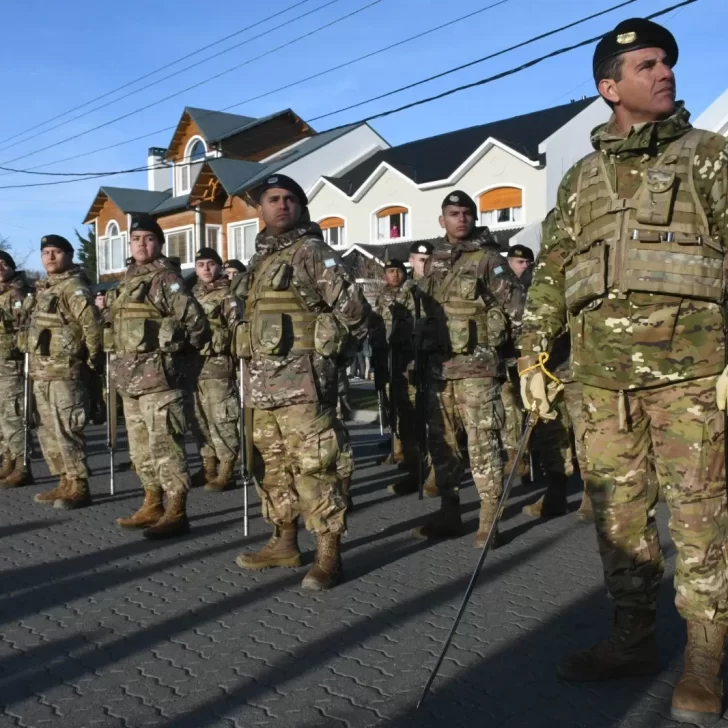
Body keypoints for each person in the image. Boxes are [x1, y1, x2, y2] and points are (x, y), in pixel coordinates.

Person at [518, 19, 728, 724]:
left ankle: (704, 659)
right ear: (610, 87)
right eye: (645, 65)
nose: (664, 72)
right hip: (600, 384)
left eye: (667, 61)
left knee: (702, 520)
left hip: (692, 377)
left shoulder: (710, 159)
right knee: (618, 519)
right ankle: (633, 641)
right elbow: (553, 271)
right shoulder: (580, 180)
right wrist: (533, 353)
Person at [233, 174, 370, 591]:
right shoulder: (259, 261)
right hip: (261, 386)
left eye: (290, 198)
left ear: (301, 207)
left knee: (317, 468)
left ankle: (329, 553)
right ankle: (284, 542)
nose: (281, 205)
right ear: (260, 209)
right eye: (272, 199)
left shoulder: (312, 252)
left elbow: (355, 314)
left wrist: (329, 360)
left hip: (304, 387)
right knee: (272, 469)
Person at [413, 191, 523, 546]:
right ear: (441, 220)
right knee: (442, 444)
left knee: (483, 444)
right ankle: (450, 511)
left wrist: (520, 356)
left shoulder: (489, 260)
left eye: (467, 213)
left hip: (477, 369)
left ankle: (489, 518)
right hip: (438, 370)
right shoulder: (433, 264)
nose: (461, 218)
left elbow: (518, 310)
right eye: (453, 213)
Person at [106, 214, 209, 539]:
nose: (141, 244)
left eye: (148, 238)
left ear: (159, 244)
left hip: (160, 381)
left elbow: (197, 325)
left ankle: (176, 510)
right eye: (136, 239)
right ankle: (152, 503)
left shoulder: (167, 280)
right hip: (129, 381)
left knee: (166, 447)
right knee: (140, 450)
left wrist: (175, 355)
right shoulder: (126, 281)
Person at [27, 235, 102, 509]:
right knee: (48, 431)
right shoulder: (45, 288)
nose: (50, 257)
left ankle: (80, 486)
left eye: (56, 252)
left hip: (65, 372)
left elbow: (91, 325)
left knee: (67, 429)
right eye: (46, 252)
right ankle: (63, 481)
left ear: (68, 255)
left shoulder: (74, 287)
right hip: (42, 372)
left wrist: (92, 361)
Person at [189, 247, 243, 492]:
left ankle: (227, 469)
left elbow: (236, 332)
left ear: (219, 266)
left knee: (222, 418)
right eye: (201, 265)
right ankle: (208, 464)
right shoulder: (191, 296)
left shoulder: (228, 295)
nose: (206, 269)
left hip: (219, 367)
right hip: (193, 367)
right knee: (199, 419)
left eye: (211, 264)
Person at [370, 259, 424, 496]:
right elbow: (375, 324)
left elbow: (418, 324)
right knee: (392, 409)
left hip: (406, 361)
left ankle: (416, 465)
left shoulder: (412, 293)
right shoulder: (382, 296)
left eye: (398, 271)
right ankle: (400, 450)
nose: (394, 275)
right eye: (390, 271)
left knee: (410, 413)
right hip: (387, 361)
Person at [0, 251, 34, 488]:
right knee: (2, 419)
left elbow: (26, 328)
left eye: (3, 263)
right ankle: (8, 460)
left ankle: (23, 466)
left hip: (12, 364)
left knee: (14, 415)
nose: (0, 268)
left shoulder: (18, 293)